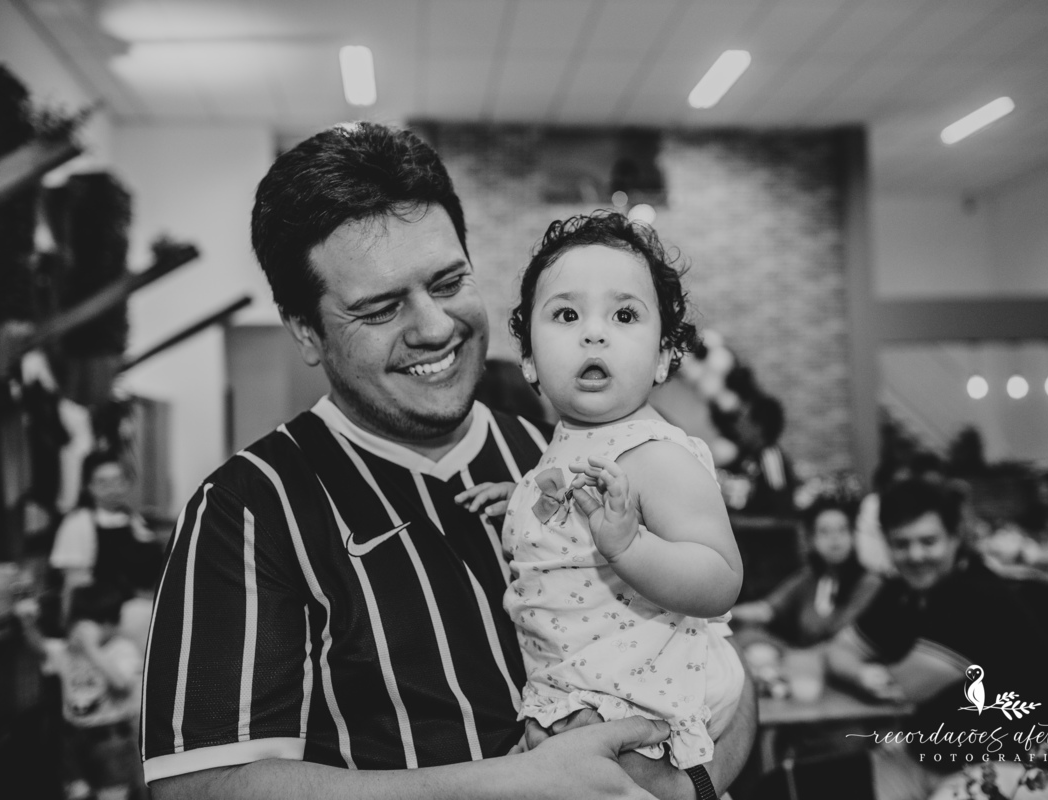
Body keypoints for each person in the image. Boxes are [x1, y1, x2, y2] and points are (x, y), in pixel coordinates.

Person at [140, 123, 754, 800]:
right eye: (379, 307)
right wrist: (513, 787)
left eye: (448, 280)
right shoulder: (250, 508)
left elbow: (722, 672)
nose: (433, 326)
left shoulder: (550, 459)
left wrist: (683, 787)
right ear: (307, 332)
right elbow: (197, 788)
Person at [456, 212, 744, 771]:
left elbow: (720, 580)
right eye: (566, 313)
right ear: (531, 362)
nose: (594, 331)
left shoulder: (657, 456)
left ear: (664, 357)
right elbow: (568, 502)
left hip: (638, 704)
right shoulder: (565, 445)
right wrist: (520, 497)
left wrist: (629, 547)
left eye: (625, 314)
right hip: (572, 689)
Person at [826, 479, 1048, 800]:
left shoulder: (977, 596)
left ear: (954, 539)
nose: (916, 555)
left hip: (1025, 762)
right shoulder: (900, 592)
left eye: (928, 541)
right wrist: (861, 673)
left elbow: (902, 689)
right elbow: (838, 649)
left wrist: (866, 673)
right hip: (935, 757)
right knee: (803, 786)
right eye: (902, 544)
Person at [18, 585, 145, 800]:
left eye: (84, 624)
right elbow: (40, 649)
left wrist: (92, 650)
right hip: (73, 737)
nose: (76, 630)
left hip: (110, 740)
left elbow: (122, 686)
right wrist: (27, 622)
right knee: (77, 792)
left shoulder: (122, 649)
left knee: (112, 794)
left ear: (108, 624)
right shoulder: (69, 650)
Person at [731, 496, 880, 647]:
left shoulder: (870, 581)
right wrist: (724, 614)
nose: (835, 538)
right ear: (811, 540)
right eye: (824, 531)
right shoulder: (810, 578)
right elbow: (766, 610)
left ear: (853, 535)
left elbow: (842, 637)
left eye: (842, 530)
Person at [49, 451, 161, 626]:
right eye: (103, 483)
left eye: (118, 481)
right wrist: (69, 626)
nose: (113, 489)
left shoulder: (134, 519)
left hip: (144, 613)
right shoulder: (78, 523)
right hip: (104, 620)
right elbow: (73, 584)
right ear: (88, 486)